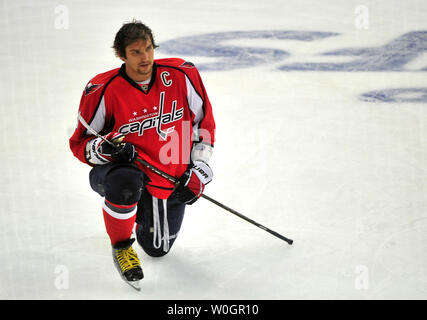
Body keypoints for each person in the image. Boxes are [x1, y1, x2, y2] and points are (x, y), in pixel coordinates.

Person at [69, 20, 216, 289]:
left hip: (169, 172)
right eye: (136, 52)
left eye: (148, 48)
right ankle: (122, 244)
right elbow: (81, 144)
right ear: (121, 55)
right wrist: (107, 148)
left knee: (157, 249)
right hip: (127, 169)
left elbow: (203, 125)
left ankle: (133, 208)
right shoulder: (102, 89)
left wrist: (199, 172)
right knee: (124, 185)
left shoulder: (183, 74)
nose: (145, 57)